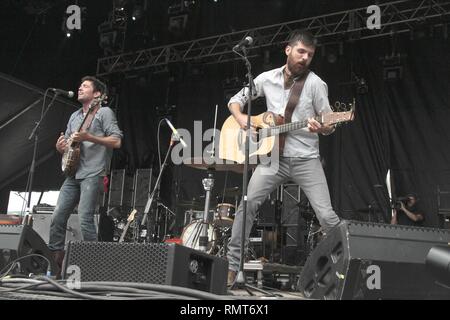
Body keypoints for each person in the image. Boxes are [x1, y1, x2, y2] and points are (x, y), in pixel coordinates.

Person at [226, 30, 340, 286]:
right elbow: (235, 101)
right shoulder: (267, 78)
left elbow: (330, 122)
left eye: (310, 55)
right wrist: (242, 118)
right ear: (288, 50)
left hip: (306, 159)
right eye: (301, 51)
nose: (305, 58)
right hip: (272, 159)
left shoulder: (316, 84)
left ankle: (344, 267)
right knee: (248, 205)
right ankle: (233, 267)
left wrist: (322, 127)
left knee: (327, 216)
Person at [49, 76, 123, 271]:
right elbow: (67, 144)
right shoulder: (74, 116)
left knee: (84, 218)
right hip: (73, 173)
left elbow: (117, 141)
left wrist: (90, 137)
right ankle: (55, 258)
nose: (80, 88)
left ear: (97, 94)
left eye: (85, 86)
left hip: (93, 172)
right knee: (57, 215)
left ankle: (94, 262)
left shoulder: (104, 112)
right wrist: (60, 147)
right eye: (80, 85)